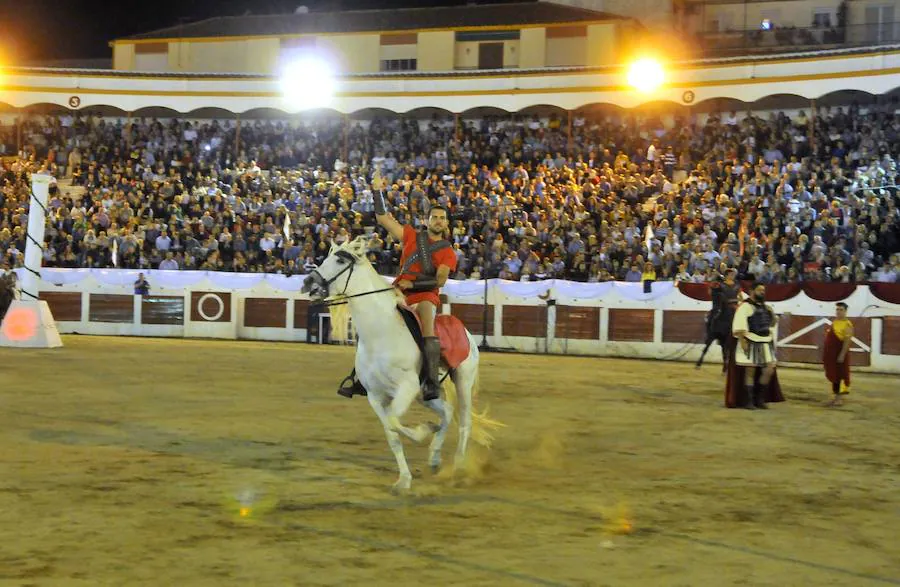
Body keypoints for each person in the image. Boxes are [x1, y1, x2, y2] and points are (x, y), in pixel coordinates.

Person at [337, 193, 456, 401]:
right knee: (372, 324)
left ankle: (431, 381)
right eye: (435, 217)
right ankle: (362, 377)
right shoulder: (411, 236)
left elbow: (440, 281)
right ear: (426, 220)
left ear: (446, 223)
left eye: (442, 218)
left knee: (427, 327)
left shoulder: (447, 251)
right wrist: (376, 191)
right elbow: (383, 218)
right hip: (399, 293)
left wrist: (412, 283)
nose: (438, 221)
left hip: (425, 295)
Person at [725, 281, 785, 409]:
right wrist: (742, 341)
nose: (762, 292)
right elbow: (739, 325)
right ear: (752, 291)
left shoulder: (765, 307)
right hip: (750, 340)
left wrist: (772, 314)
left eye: (763, 290)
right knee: (750, 371)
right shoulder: (745, 307)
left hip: (765, 341)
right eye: (759, 290)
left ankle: (759, 398)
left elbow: (772, 324)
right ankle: (749, 401)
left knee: (769, 369)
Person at [823, 302, 853, 407]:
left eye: (841, 310)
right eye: (837, 310)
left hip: (840, 354)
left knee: (841, 375)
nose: (838, 312)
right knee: (835, 375)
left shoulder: (847, 324)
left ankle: (839, 399)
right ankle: (836, 397)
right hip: (832, 355)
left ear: (845, 311)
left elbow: (847, 341)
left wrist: (842, 355)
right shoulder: (835, 322)